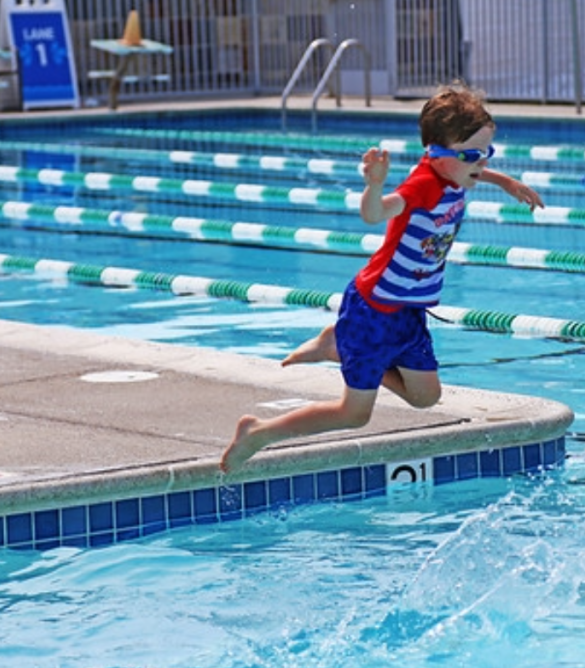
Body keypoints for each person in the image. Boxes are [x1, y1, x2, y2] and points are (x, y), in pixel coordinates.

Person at [220, 80, 543, 471]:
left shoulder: (456, 173)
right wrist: (373, 186)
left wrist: (504, 181)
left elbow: (472, 169)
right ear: (435, 153)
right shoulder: (423, 184)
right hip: (373, 309)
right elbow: (375, 214)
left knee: (426, 398)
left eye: (487, 153)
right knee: (354, 414)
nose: (482, 163)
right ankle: (258, 432)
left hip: (407, 310)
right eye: (474, 155)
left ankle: (337, 346)